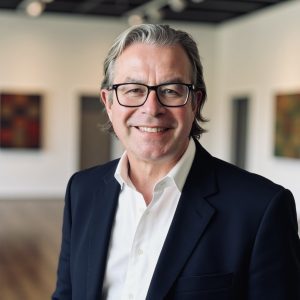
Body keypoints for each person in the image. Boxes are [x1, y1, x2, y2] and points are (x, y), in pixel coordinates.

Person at [52, 24, 300, 300]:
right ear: (108, 103)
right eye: (133, 89)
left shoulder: (260, 208)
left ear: (195, 102)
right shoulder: (82, 190)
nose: (151, 108)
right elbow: (66, 294)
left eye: (171, 90)